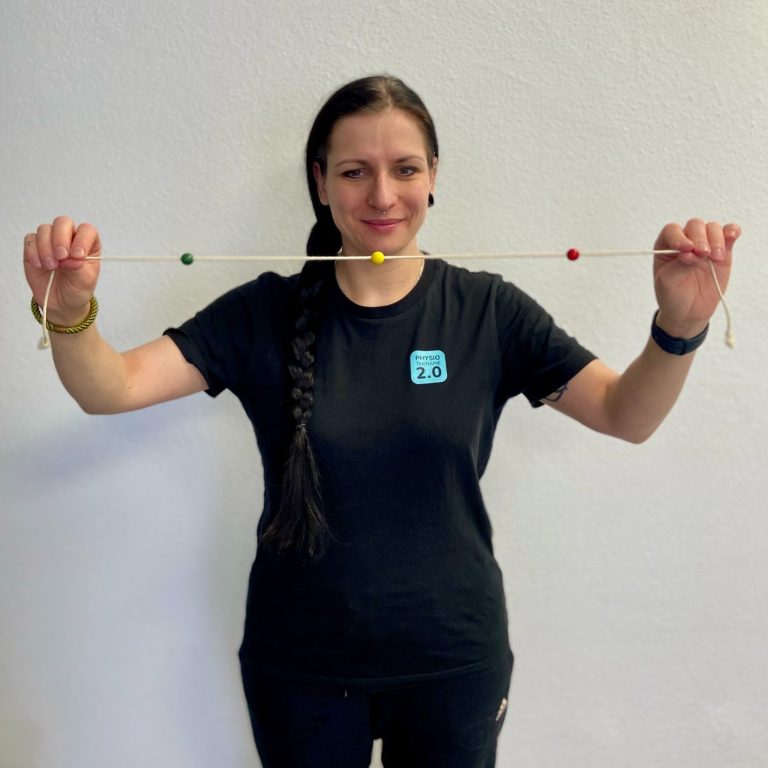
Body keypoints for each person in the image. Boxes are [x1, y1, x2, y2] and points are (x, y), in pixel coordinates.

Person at [23, 75, 739, 768]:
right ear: (320, 181)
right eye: (355, 171)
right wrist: (67, 312)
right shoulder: (263, 313)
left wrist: (679, 329)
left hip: (452, 665)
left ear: (433, 177)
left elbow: (624, 414)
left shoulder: (488, 312)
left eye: (405, 168)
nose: (383, 195)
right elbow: (111, 388)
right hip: (299, 667)